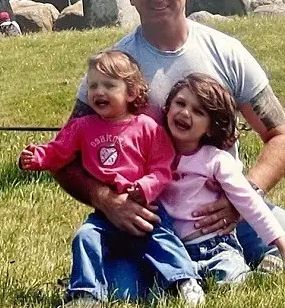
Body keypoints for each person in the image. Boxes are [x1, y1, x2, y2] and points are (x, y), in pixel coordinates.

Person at [53, 0, 285, 300]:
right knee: (121, 293)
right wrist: (108, 202)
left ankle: (240, 259)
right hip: (150, 221)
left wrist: (243, 198)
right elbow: (63, 156)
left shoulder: (225, 52)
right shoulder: (114, 69)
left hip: (225, 213)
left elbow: (283, 136)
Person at [19, 50, 205, 306]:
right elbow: (59, 150)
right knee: (85, 237)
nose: (98, 92)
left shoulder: (146, 127)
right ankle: (85, 293)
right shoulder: (82, 127)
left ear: (130, 93)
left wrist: (146, 187)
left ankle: (185, 280)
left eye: (108, 85)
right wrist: (38, 158)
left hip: (145, 206)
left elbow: (163, 168)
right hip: (105, 212)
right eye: (93, 85)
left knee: (163, 240)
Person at [160, 73, 285, 284]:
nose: (185, 112)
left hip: (215, 246)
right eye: (179, 103)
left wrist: (284, 247)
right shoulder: (156, 157)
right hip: (174, 250)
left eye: (198, 111)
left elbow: (250, 203)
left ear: (210, 127)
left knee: (230, 279)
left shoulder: (216, 161)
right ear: (167, 108)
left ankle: (263, 272)